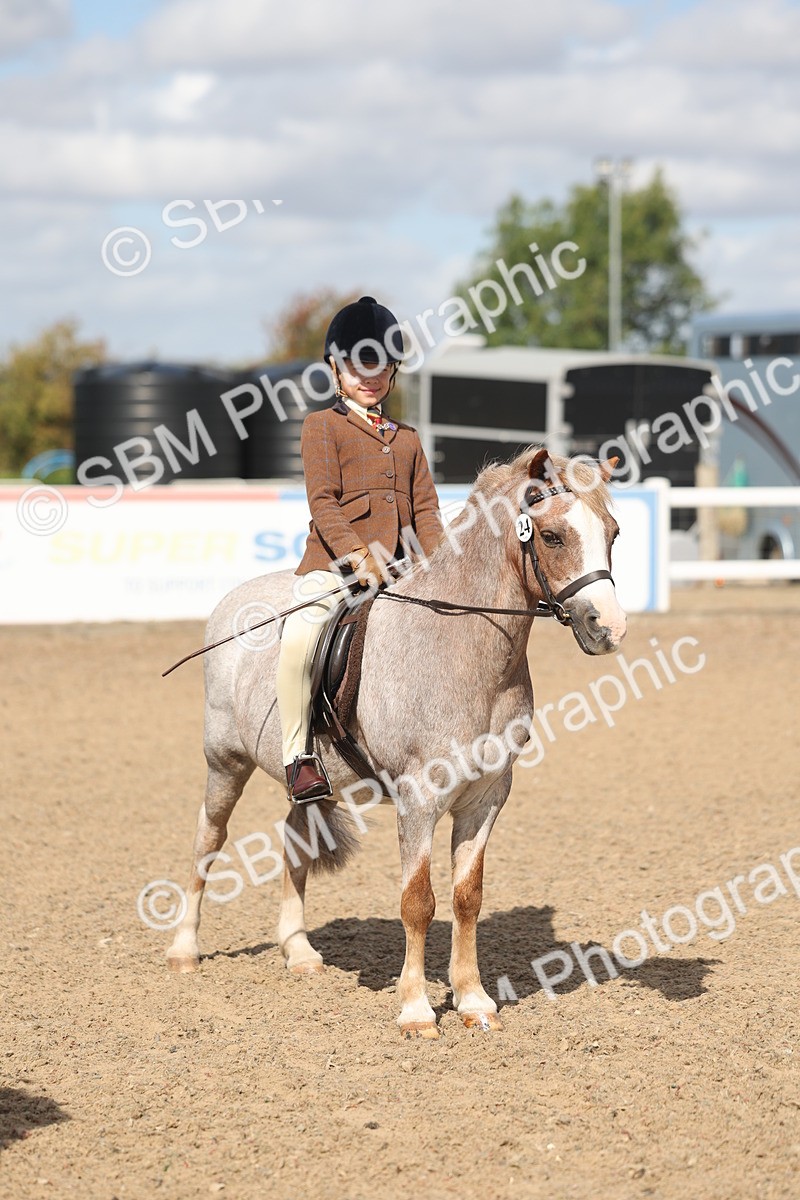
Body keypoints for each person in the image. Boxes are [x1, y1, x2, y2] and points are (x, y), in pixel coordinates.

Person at [276, 296, 443, 803]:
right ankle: (298, 755)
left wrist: (438, 566)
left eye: (380, 367)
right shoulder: (322, 427)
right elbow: (323, 503)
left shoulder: (408, 439)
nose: (370, 377)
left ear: (393, 371)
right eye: (358, 367)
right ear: (335, 368)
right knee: (302, 633)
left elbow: (427, 512)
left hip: (403, 569)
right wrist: (358, 556)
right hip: (336, 566)